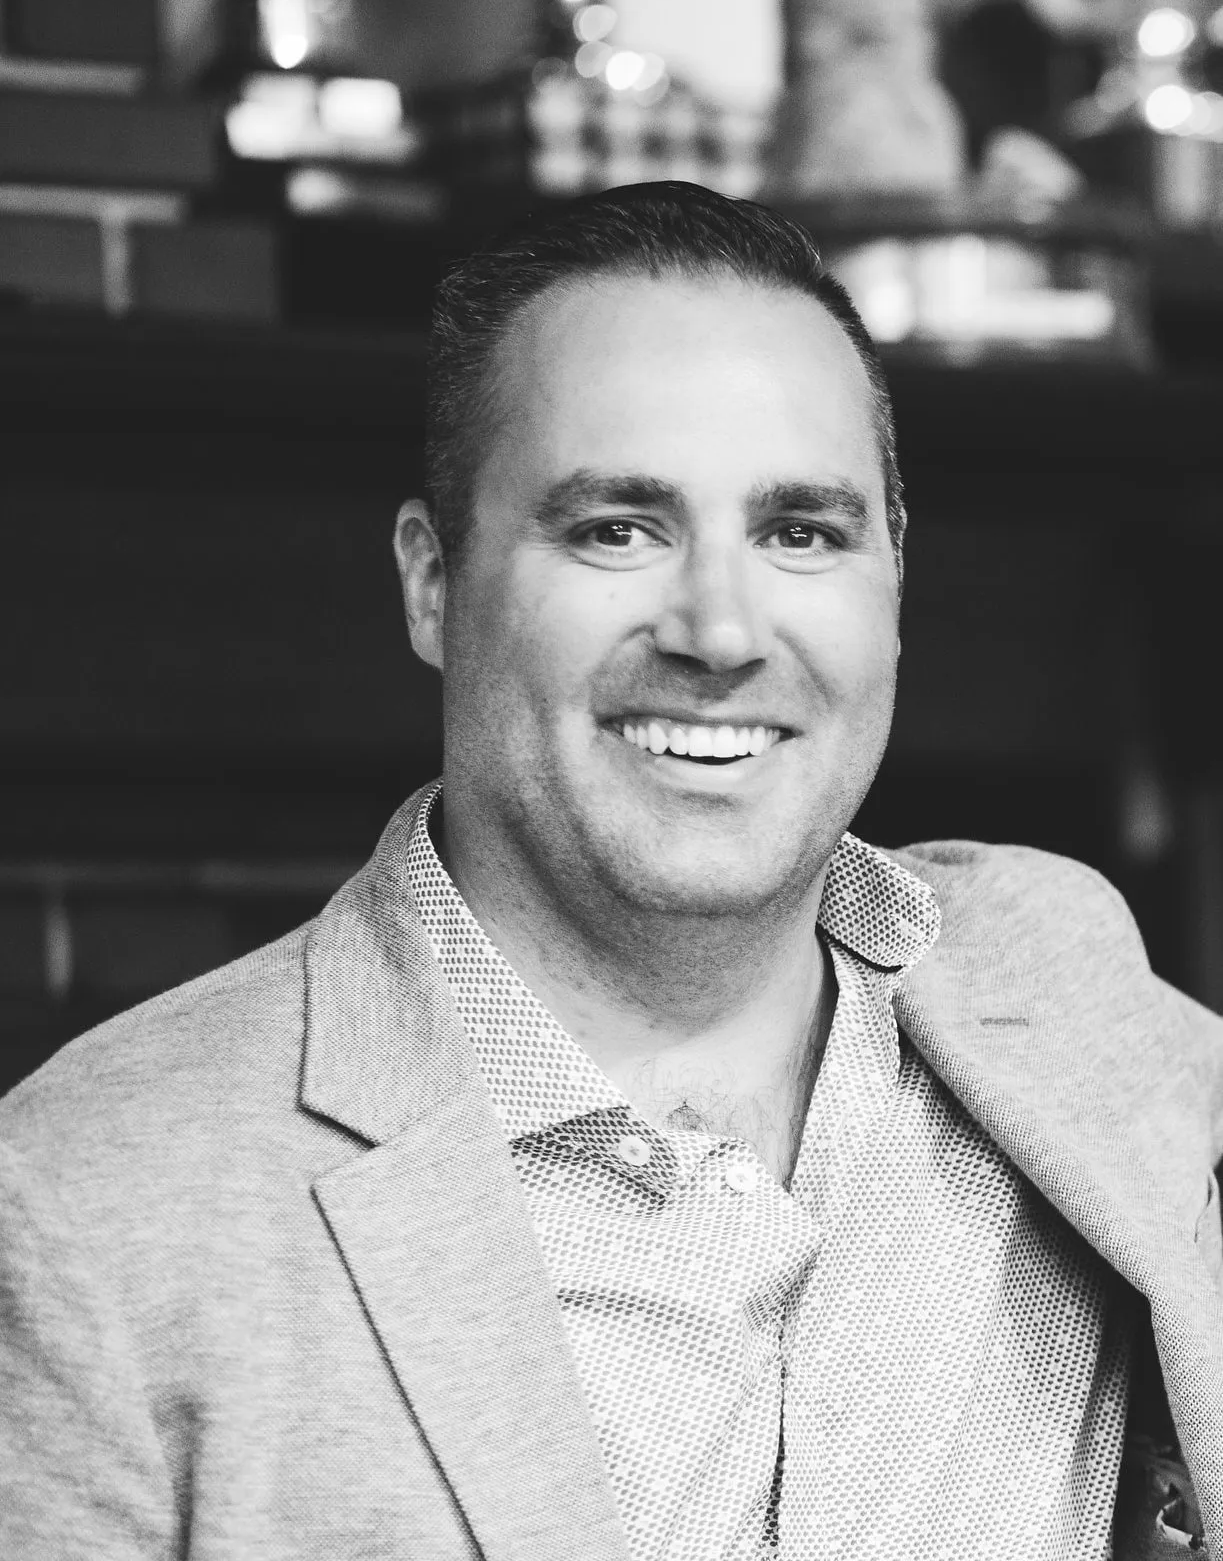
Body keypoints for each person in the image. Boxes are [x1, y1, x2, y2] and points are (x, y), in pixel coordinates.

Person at [1, 182, 1221, 1561]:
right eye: (614, 528)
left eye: (800, 532)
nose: (717, 630)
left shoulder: (1064, 997)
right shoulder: (90, 1204)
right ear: (431, 582)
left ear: (892, 585)